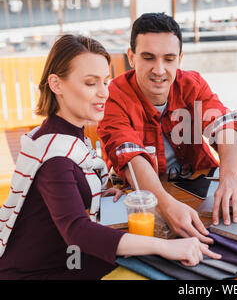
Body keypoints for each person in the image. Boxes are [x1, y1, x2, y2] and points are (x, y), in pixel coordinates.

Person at [0, 34, 220, 280]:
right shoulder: (55, 157)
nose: (104, 93)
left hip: (65, 257)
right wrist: (166, 247)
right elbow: (77, 231)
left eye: (105, 82)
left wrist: (96, 191)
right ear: (56, 84)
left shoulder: (62, 133)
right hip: (40, 271)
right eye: (91, 83)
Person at [97, 13, 237, 243]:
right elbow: (130, 155)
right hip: (143, 199)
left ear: (179, 59)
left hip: (198, 189)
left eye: (168, 59)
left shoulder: (192, 84)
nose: (159, 69)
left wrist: (230, 178)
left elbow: (224, 124)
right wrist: (165, 205)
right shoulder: (113, 96)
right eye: (148, 57)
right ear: (132, 57)